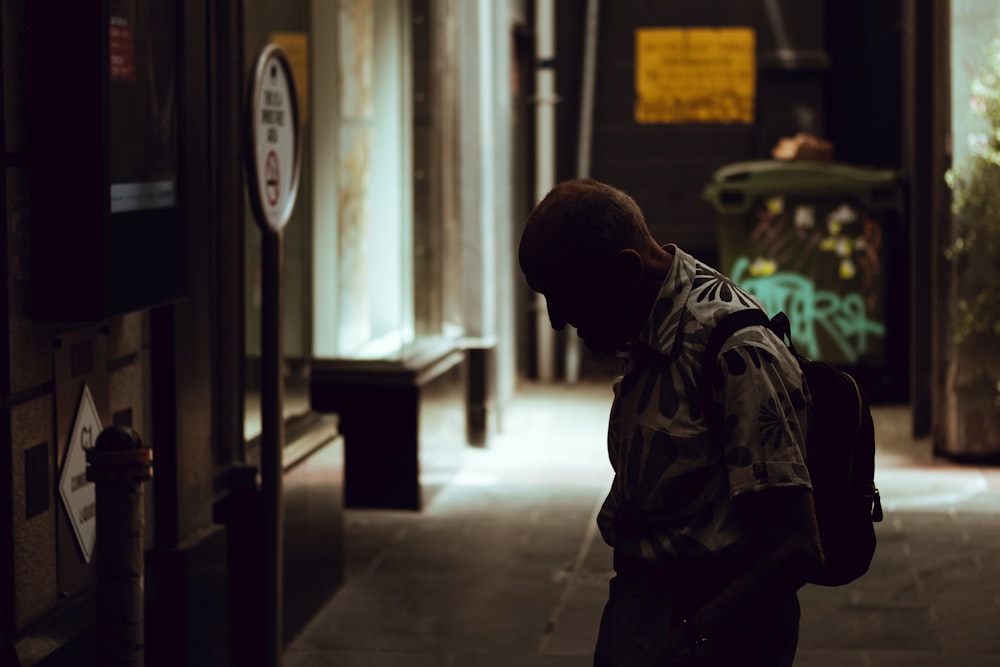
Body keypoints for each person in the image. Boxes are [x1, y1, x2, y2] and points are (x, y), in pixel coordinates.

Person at [518, 179, 824, 666]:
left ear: (625, 272)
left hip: (712, 638)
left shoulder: (737, 352)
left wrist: (696, 635)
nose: (557, 320)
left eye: (566, 296)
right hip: (646, 618)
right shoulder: (648, 328)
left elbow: (798, 547)